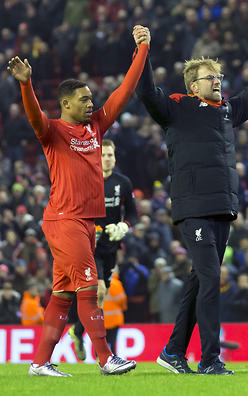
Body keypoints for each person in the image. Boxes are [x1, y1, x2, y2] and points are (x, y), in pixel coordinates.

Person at [137, 28, 248, 374]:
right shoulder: (177, 108)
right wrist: (144, 50)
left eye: (220, 77)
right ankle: (210, 359)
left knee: (200, 280)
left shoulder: (226, 110)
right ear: (193, 85)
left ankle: (174, 351)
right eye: (211, 78)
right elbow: (145, 90)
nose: (219, 82)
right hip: (192, 207)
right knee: (210, 280)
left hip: (223, 206)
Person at [7, 25, 149, 377]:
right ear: (66, 103)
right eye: (84, 99)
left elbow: (124, 91)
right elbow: (34, 116)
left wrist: (142, 50)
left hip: (87, 222)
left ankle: (39, 363)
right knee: (88, 286)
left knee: (63, 295)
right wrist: (26, 84)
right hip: (64, 219)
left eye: (91, 99)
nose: (91, 103)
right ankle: (105, 358)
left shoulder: (97, 127)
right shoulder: (53, 132)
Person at [68, 138, 137, 361]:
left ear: (115, 158)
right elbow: (75, 209)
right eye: (104, 155)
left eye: (111, 155)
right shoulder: (87, 180)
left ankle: (78, 331)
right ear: (97, 158)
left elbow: (133, 213)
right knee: (97, 291)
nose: (108, 158)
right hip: (90, 245)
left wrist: (124, 226)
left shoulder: (123, 182)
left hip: (111, 245)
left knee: (102, 295)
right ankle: (103, 353)